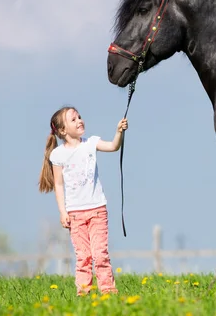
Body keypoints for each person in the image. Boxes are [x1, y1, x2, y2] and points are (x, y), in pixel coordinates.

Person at [38, 106, 128, 296]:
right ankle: (84, 292)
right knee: (83, 256)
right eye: (73, 119)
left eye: (79, 116)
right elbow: (59, 185)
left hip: (97, 210)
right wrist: (63, 212)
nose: (79, 120)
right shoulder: (58, 155)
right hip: (76, 214)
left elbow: (113, 146)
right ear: (63, 131)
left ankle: (108, 291)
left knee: (100, 254)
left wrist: (118, 132)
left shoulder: (91, 143)